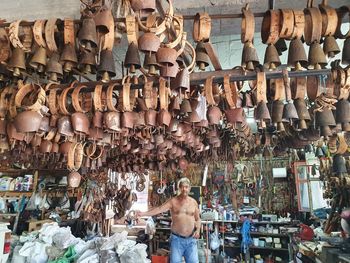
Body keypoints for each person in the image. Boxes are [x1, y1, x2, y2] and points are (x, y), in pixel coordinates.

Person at [136, 177, 200, 263]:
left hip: (191, 240)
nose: (184, 189)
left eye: (186, 187)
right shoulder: (173, 201)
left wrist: (198, 230)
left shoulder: (193, 202)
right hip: (177, 240)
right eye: (182, 187)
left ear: (189, 188)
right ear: (179, 188)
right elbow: (159, 209)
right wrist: (143, 214)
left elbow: (198, 219)